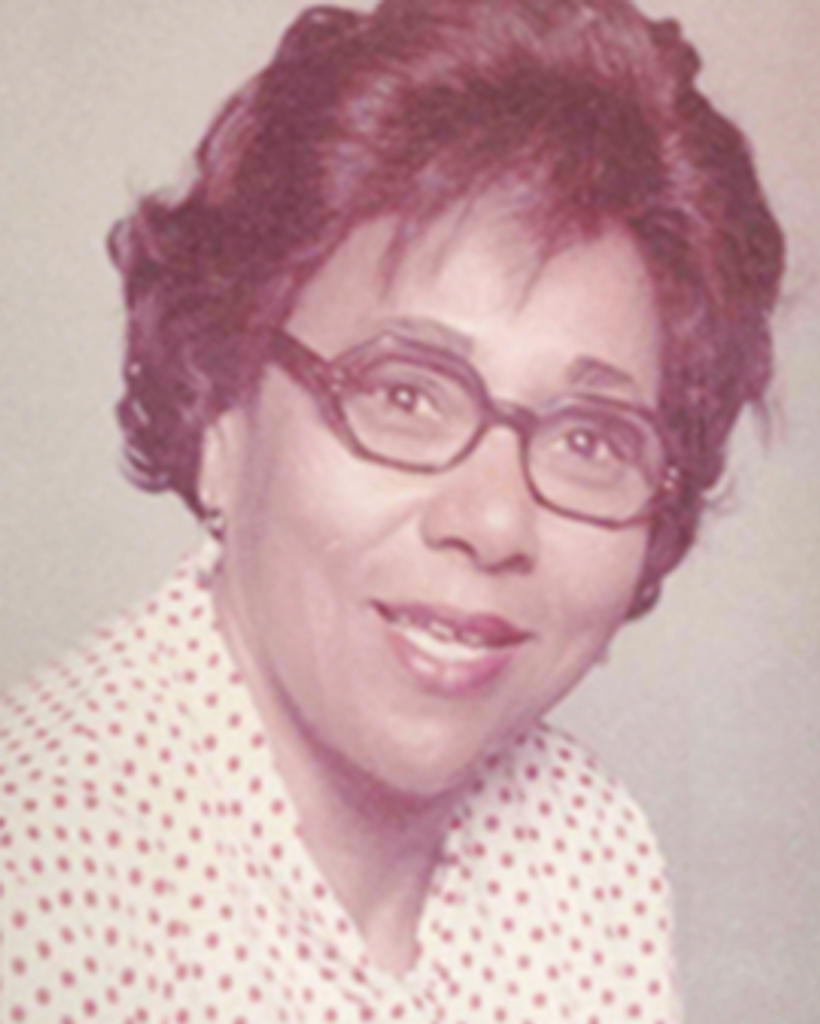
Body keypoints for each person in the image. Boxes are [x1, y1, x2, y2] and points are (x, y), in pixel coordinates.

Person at [0, 0, 785, 1021]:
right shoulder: (38, 885)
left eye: (590, 438)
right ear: (220, 412)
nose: (494, 523)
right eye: (405, 394)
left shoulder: (590, 857)